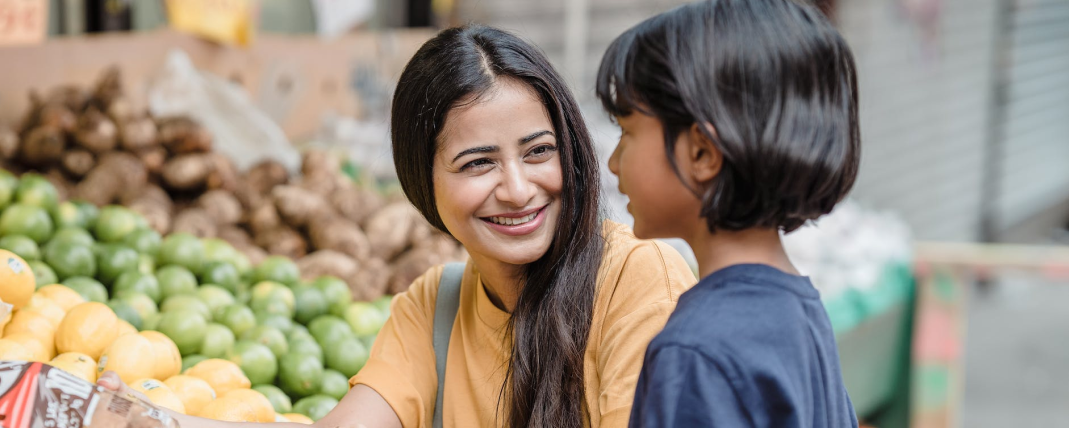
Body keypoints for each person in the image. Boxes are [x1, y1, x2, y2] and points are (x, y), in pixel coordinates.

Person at [99, 24, 696, 428]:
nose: (517, 188)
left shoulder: (638, 279)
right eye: (478, 162)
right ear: (421, 182)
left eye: (539, 151)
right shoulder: (434, 307)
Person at [595, 0, 862, 427]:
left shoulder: (695, 350)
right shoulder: (799, 311)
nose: (613, 162)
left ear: (702, 152)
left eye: (627, 132)